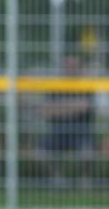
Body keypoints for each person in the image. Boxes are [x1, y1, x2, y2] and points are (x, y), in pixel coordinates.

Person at [40, 55, 96, 187]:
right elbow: (45, 111)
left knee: (87, 152)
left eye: (74, 67)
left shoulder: (85, 86)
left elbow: (84, 106)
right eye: (67, 67)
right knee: (41, 151)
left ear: (79, 69)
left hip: (80, 132)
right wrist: (72, 106)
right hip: (58, 132)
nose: (70, 70)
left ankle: (85, 180)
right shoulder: (55, 86)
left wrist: (59, 108)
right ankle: (57, 179)